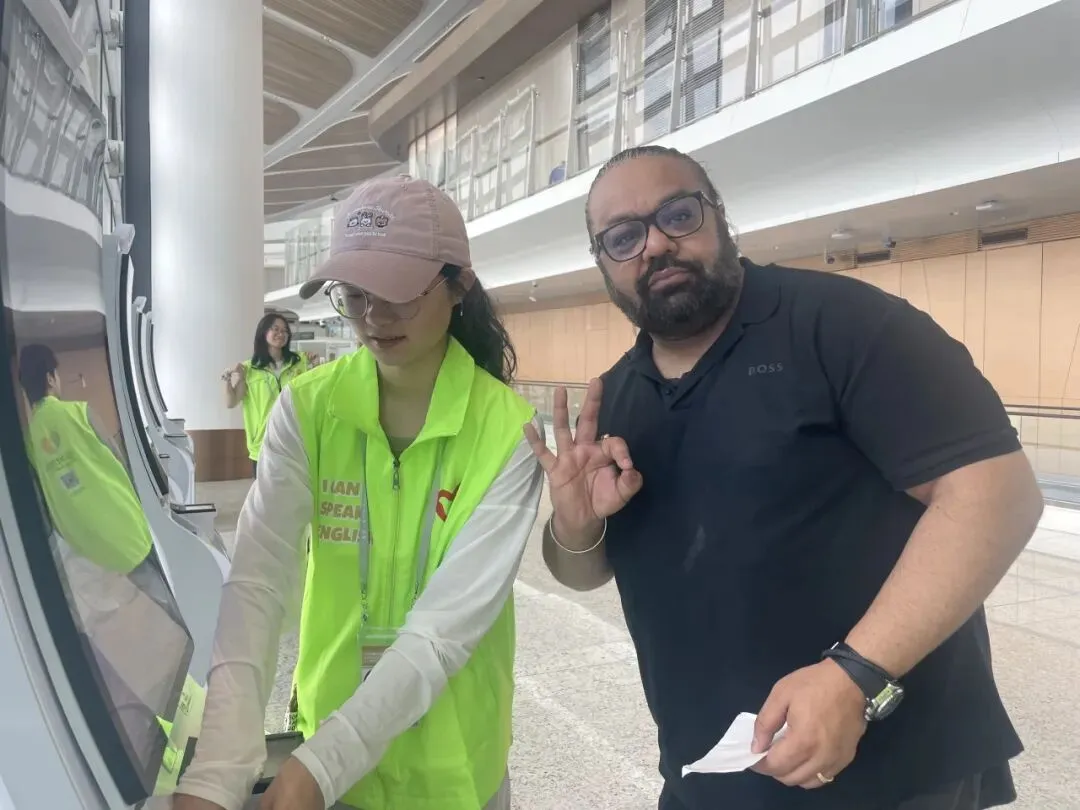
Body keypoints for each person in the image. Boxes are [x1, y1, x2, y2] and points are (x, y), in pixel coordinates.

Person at [526, 145, 1043, 810]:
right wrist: (575, 525)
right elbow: (582, 571)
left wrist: (855, 677)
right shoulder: (618, 399)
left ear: (719, 215)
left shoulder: (844, 325)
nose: (654, 244)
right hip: (708, 774)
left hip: (892, 777)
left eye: (677, 215)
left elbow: (997, 494)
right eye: (623, 237)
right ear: (604, 262)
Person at [174, 175, 544, 810]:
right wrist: (219, 769)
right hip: (333, 753)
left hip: (453, 769)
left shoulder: (509, 432)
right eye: (355, 294)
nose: (374, 316)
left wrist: (321, 766)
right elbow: (258, 582)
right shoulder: (308, 410)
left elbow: (444, 629)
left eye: (398, 291)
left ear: (458, 286)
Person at [18, 342, 152, 574]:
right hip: (123, 521)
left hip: (84, 541)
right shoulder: (79, 411)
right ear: (50, 379)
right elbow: (118, 458)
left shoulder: (29, 442)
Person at [223, 313, 311, 477]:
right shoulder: (249, 368)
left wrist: (314, 364)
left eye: (284, 331)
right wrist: (229, 379)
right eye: (275, 329)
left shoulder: (300, 362)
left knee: (293, 488)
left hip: (293, 438)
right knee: (265, 491)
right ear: (263, 333)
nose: (281, 334)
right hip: (263, 442)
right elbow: (231, 402)